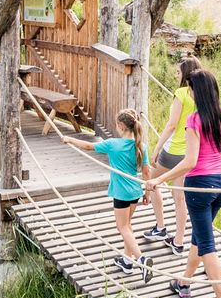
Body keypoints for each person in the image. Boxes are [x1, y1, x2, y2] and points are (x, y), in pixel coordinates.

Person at [146, 68, 221, 298]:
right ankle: (184, 282)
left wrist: (159, 179)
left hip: (199, 186)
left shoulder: (195, 121)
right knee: (200, 237)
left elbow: (190, 161)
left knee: (207, 245)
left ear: (195, 92)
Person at [58, 109, 154, 279]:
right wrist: (148, 194)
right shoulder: (141, 146)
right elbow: (147, 173)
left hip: (122, 193)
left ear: (122, 126)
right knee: (128, 225)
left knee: (122, 227)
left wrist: (69, 139)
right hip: (135, 192)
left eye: (117, 125)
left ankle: (141, 259)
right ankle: (127, 261)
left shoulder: (113, 144)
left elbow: (89, 146)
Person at [147, 56, 203, 254]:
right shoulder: (204, 96)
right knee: (179, 197)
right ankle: (179, 241)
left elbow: (172, 125)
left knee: (152, 182)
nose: (176, 75)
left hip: (172, 150)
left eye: (178, 72)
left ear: (186, 75)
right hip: (190, 154)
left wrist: (156, 148)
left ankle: (161, 227)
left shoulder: (181, 93)